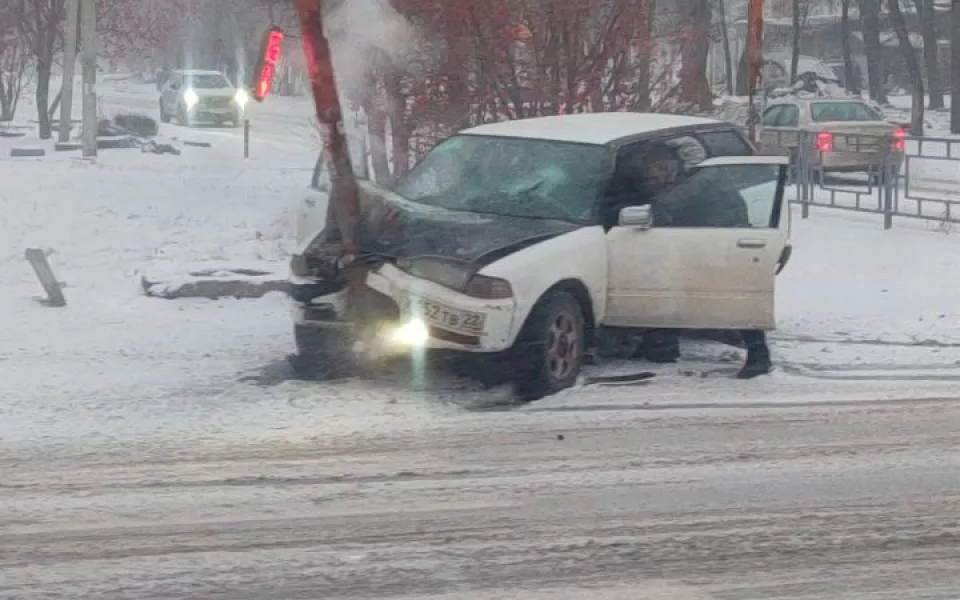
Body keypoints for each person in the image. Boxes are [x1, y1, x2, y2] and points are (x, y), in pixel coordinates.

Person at [636, 143, 774, 379]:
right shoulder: (704, 179)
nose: (654, 174)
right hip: (705, 243)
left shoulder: (700, 182)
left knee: (736, 301)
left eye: (661, 167)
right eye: (651, 168)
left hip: (723, 245)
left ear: (681, 165)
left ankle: (758, 355)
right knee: (675, 292)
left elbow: (670, 204)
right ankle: (662, 346)